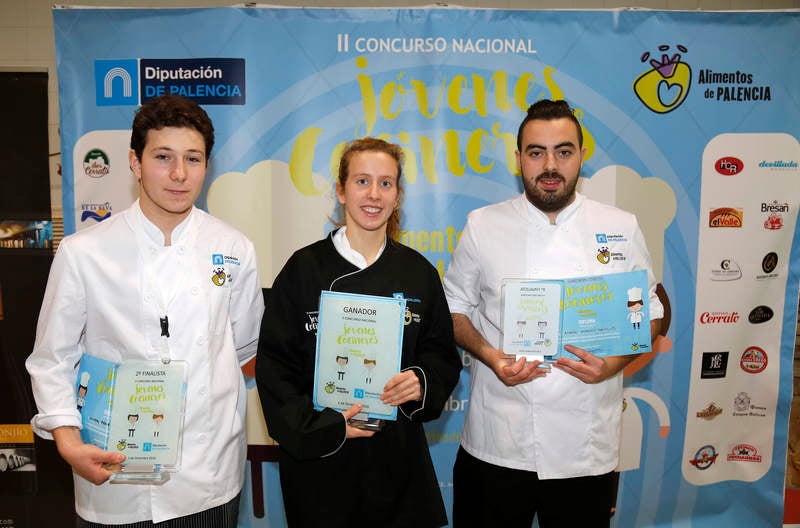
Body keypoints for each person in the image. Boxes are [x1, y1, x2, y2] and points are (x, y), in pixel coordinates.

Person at [25, 94, 264, 527]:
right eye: (163, 157)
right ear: (135, 163)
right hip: (113, 476)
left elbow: (245, 345)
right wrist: (67, 441)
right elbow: (52, 358)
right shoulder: (85, 252)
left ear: (207, 166)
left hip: (208, 477)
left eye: (193, 159)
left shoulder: (233, 249)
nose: (179, 174)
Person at [443, 99, 664, 527]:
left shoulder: (620, 227)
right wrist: (491, 356)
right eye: (536, 152)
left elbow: (650, 313)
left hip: (585, 452)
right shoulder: (482, 225)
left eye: (563, 151)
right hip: (497, 444)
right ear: (519, 158)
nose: (550, 165)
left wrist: (614, 363)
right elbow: (453, 307)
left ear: (582, 155)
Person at [256, 137, 461, 527]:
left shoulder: (418, 273)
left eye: (386, 183)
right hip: (321, 467)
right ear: (340, 191)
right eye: (362, 181)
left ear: (398, 196)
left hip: (398, 465)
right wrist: (326, 427)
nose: (374, 194)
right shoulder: (303, 270)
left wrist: (420, 381)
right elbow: (274, 370)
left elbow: (441, 356)